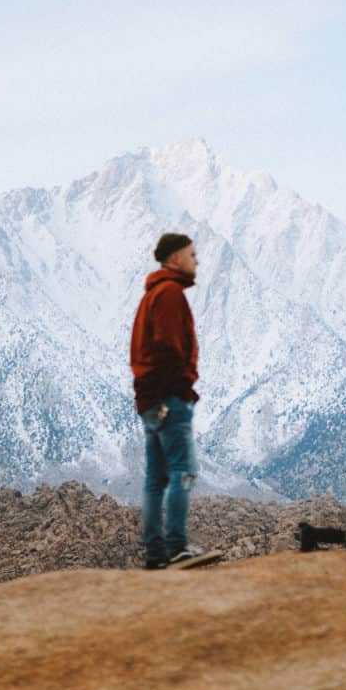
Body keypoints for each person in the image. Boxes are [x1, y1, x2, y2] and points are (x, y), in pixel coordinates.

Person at [130, 232, 203, 569]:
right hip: (167, 399)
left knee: (155, 478)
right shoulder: (171, 294)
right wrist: (180, 391)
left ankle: (155, 553)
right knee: (183, 471)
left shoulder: (151, 295)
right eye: (191, 254)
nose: (196, 260)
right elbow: (169, 348)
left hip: (148, 398)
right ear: (174, 258)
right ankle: (176, 547)